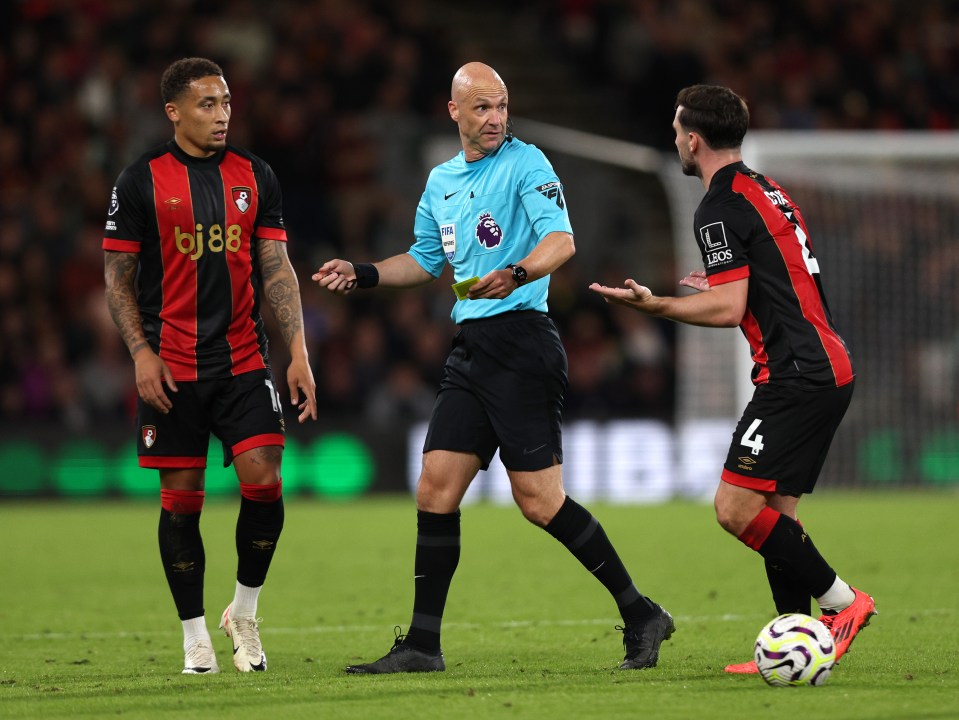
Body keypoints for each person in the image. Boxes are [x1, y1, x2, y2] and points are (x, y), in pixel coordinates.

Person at [313, 62, 674, 673]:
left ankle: (642, 613)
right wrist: (366, 272)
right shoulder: (442, 180)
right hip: (472, 349)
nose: (495, 119)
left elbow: (562, 241)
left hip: (524, 343)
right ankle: (423, 645)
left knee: (538, 500)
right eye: (482, 108)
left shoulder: (527, 164)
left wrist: (519, 272)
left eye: (501, 106)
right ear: (453, 111)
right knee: (435, 487)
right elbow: (426, 260)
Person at [590, 84, 876, 674]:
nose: (675, 139)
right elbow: (778, 275)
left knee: (734, 507)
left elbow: (726, 309)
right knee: (779, 518)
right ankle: (798, 645)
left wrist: (657, 306)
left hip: (796, 374)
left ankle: (844, 604)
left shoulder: (718, 204)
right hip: (826, 364)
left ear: (692, 138)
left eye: (676, 130)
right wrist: (728, 284)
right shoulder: (765, 188)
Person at [103, 57, 317, 675]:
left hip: (244, 360)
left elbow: (276, 268)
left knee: (265, 477)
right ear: (174, 112)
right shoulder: (140, 180)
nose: (221, 114)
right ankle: (195, 634)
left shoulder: (256, 175)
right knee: (182, 497)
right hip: (170, 366)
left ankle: (243, 613)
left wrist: (299, 352)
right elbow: (117, 280)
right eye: (206, 104)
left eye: (225, 102)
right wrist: (141, 354)